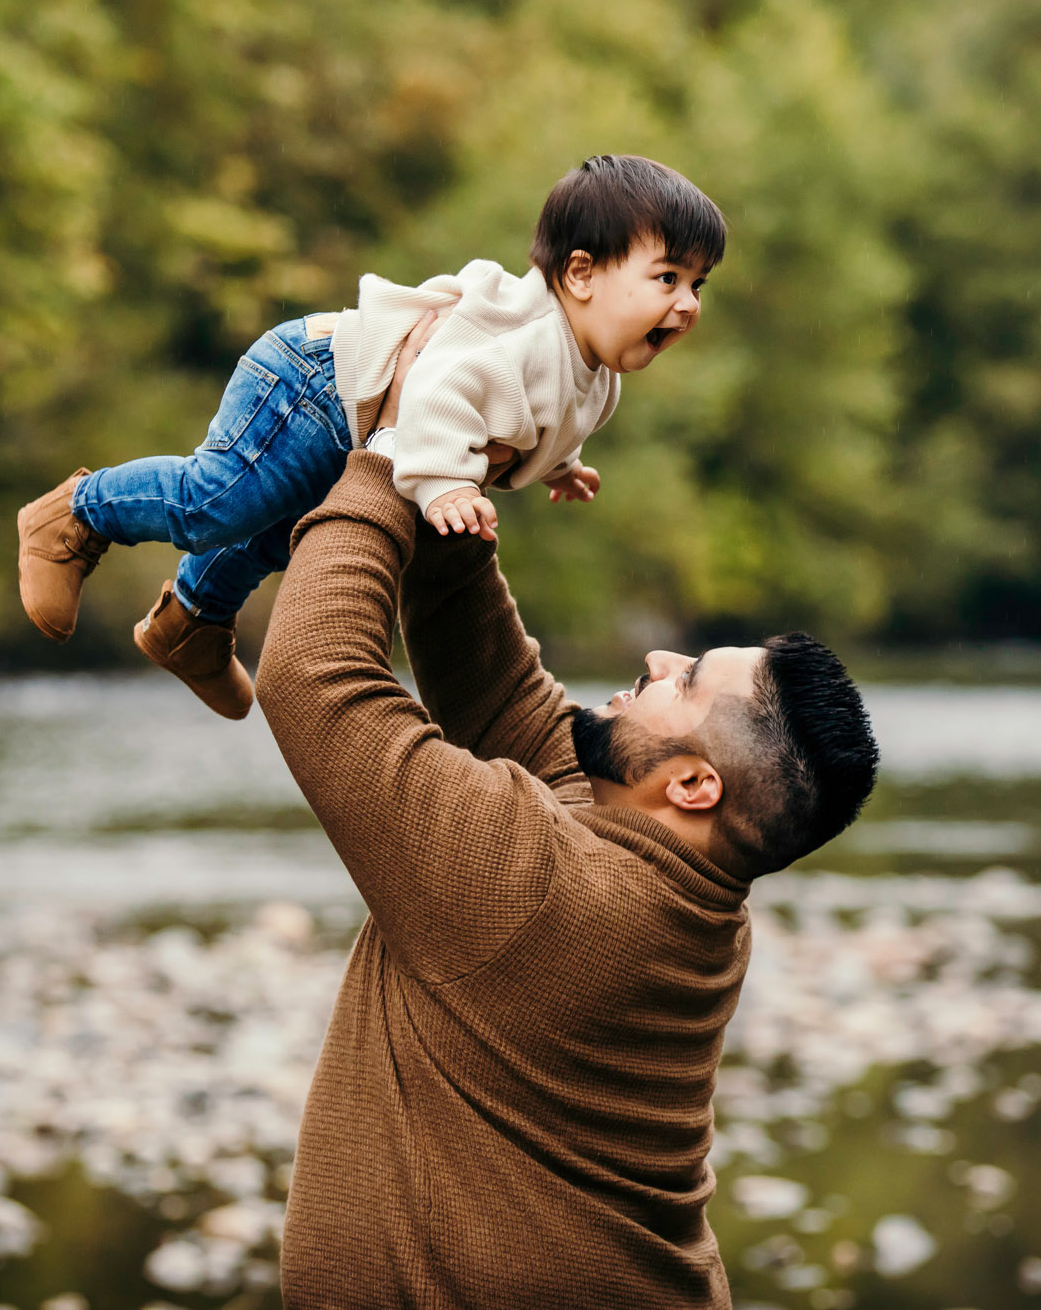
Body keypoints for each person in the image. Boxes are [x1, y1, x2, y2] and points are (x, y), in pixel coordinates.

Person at [253, 312, 879, 1307]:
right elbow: (503, 702)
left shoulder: (548, 891)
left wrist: (380, 456)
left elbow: (312, 676)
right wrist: (449, 456)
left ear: (690, 785)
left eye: (684, 683)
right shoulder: (675, 880)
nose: (656, 660)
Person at [14, 154, 724, 719]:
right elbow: (444, 386)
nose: (686, 305)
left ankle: (192, 622)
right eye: (668, 278)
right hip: (314, 379)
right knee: (216, 501)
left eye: (698, 285)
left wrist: (560, 465)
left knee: (273, 533)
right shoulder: (525, 335)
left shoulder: (597, 374)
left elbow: (538, 418)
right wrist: (442, 481)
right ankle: (77, 512)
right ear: (581, 274)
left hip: (351, 414)